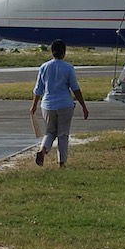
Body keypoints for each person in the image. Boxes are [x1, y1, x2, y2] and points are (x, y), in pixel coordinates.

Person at [30, 39, 89, 168]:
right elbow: (75, 88)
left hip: (47, 105)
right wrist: (84, 106)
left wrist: (34, 105)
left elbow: (38, 89)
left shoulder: (44, 67)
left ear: (52, 52)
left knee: (50, 132)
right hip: (64, 105)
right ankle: (61, 162)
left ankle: (43, 150)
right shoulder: (68, 68)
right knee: (63, 134)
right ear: (64, 53)